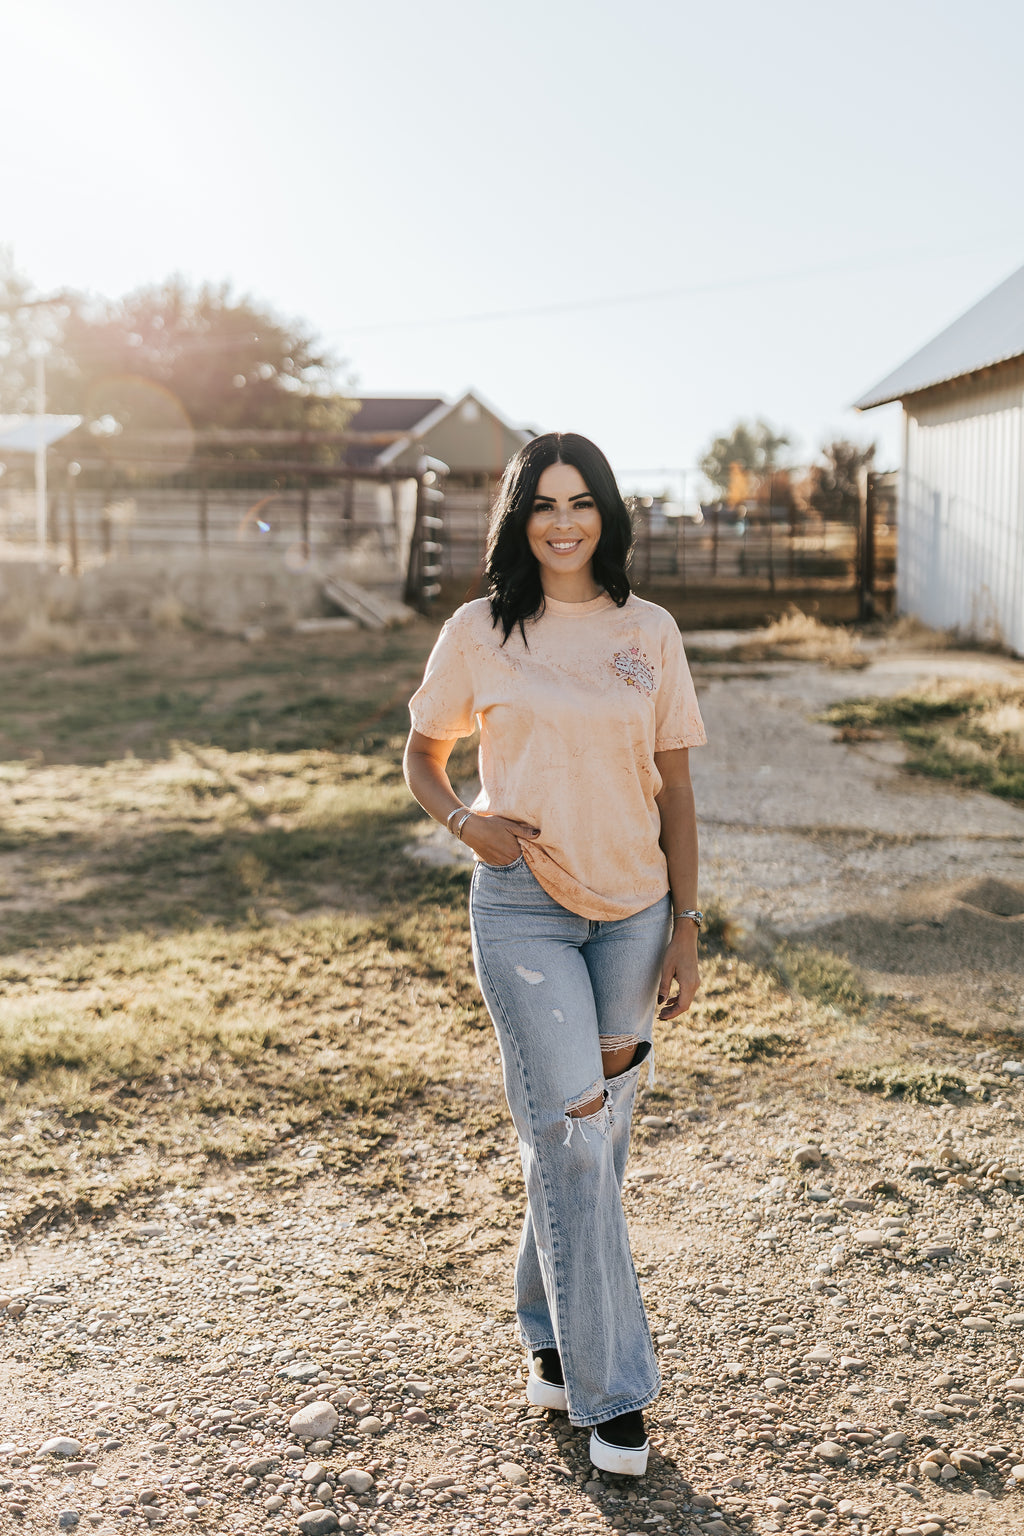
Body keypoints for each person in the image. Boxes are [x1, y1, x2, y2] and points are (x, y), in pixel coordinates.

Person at [403, 432, 705, 1477]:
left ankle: (542, 1324)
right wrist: (460, 822)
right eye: (544, 503)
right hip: (523, 909)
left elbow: (676, 790)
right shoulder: (480, 630)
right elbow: (423, 750)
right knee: (575, 1138)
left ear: (607, 515)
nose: (564, 521)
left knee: (592, 1140)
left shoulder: (649, 632)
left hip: (633, 911)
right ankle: (609, 1392)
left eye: (582, 503)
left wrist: (686, 925)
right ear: (518, 517)